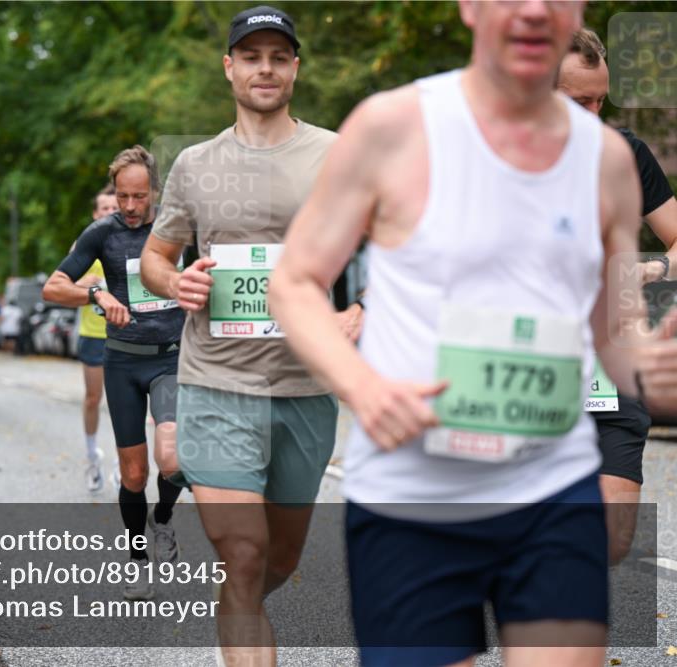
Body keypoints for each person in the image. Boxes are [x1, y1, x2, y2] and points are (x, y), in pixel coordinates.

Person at [268, 2, 677, 666]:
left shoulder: (605, 159)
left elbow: (599, 330)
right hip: (416, 495)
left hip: (553, 486)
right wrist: (363, 387)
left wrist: (649, 367)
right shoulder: (392, 127)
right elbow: (293, 283)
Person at [140, 6, 361, 663]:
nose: (265, 68)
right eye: (252, 55)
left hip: (305, 386)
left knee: (280, 558)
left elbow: (405, 246)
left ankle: (237, 609)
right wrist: (173, 283)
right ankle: (239, 605)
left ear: (295, 68)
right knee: (244, 552)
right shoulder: (195, 163)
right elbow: (157, 256)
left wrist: (365, 311)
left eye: (279, 56)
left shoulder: (336, 155)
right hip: (217, 381)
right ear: (229, 66)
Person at [556, 26, 677, 563]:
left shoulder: (625, 154)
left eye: (600, 100)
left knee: (611, 541)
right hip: (524, 368)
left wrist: (649, 269)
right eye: (579, 101)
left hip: (610, 371)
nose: (594, 115)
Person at [43, 146, 186, 601]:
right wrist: (97, 296)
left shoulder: (178, 229)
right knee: (133, 474)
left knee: (173, 458)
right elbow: (53, 286)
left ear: (155, 192)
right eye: (122, 195)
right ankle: (138, 559)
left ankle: (162, 519)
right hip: (122, 362)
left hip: (171, 358)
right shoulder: (102, 233)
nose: (128, 206)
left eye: (139, 196)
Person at [75, 185, 120, 492]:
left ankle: (123, 465)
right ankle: (92, 456)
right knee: (94, 399)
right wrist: (86, 284)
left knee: (124, 403)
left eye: (114, 208)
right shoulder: (85, 244)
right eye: (104, 208)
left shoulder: (136, 242)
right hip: (93, 334)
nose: (109, 213)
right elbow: (62, 286)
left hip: (127, 333)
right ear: (95, 213)